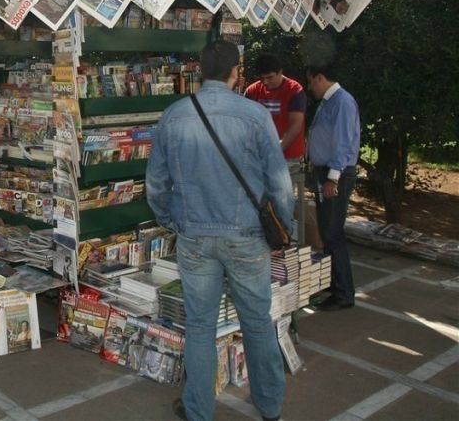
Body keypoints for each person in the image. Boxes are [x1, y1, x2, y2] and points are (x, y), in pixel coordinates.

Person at [146, 40, 292, 421]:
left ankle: (197, 410)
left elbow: (156, 186)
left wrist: (169, 220)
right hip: (246, 236)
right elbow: (280, 184)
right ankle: (271, 406)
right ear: (235, 72)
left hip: (194, 236)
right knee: (258, 323)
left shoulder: (173, 116)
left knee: (199, 326)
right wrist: (283, 231)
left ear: (199, 72)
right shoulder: (255, 115)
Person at [306, 62, 360, 311]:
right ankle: (334, 284)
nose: (309, 87)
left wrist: (332, 178)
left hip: (335, 174)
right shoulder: (329, 101)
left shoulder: (342, 102)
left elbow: (344, 143)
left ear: (319, 78)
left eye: (310, 81)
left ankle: (343, 293)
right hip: (325, 172)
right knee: (327, 231)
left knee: (333, 233)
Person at [245, 53, 307, 161]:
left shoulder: (295, 90)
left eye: (270, 77)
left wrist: (276, 150)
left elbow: (296, 125)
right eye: (262, 78)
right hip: (259, 157)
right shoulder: (251, 91)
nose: (265, 82)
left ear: (280, 72)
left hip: (289, 158)